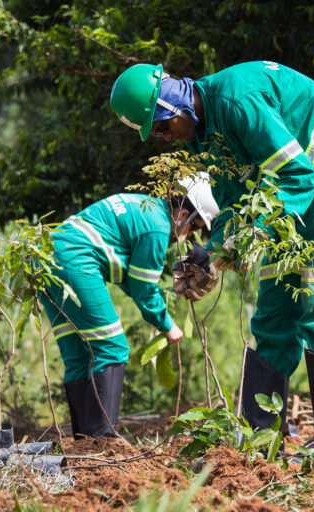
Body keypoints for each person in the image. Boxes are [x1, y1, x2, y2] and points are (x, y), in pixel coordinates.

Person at [110, 61, 314, 440]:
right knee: (274, 308)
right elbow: (232, 205)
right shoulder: (204, 136)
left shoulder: (237, 99)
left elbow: (299, 175)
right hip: (287, 195)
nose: (163, 137)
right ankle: (259, 438)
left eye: (161, 126)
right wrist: (208, 255)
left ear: (176, 107)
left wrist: (244, 241)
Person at [39, 176, 219, 439]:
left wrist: (159, 299)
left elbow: (132, 280)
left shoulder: (144, 206)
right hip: (75, 261)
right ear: (183, 214)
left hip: (47, 260)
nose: (188, 236)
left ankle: (83, 443)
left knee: (80, 354)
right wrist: (168, 326)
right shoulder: (156, 228)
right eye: (193, 228)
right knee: (112, 348)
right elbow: (143, 291)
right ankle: (103, 441)